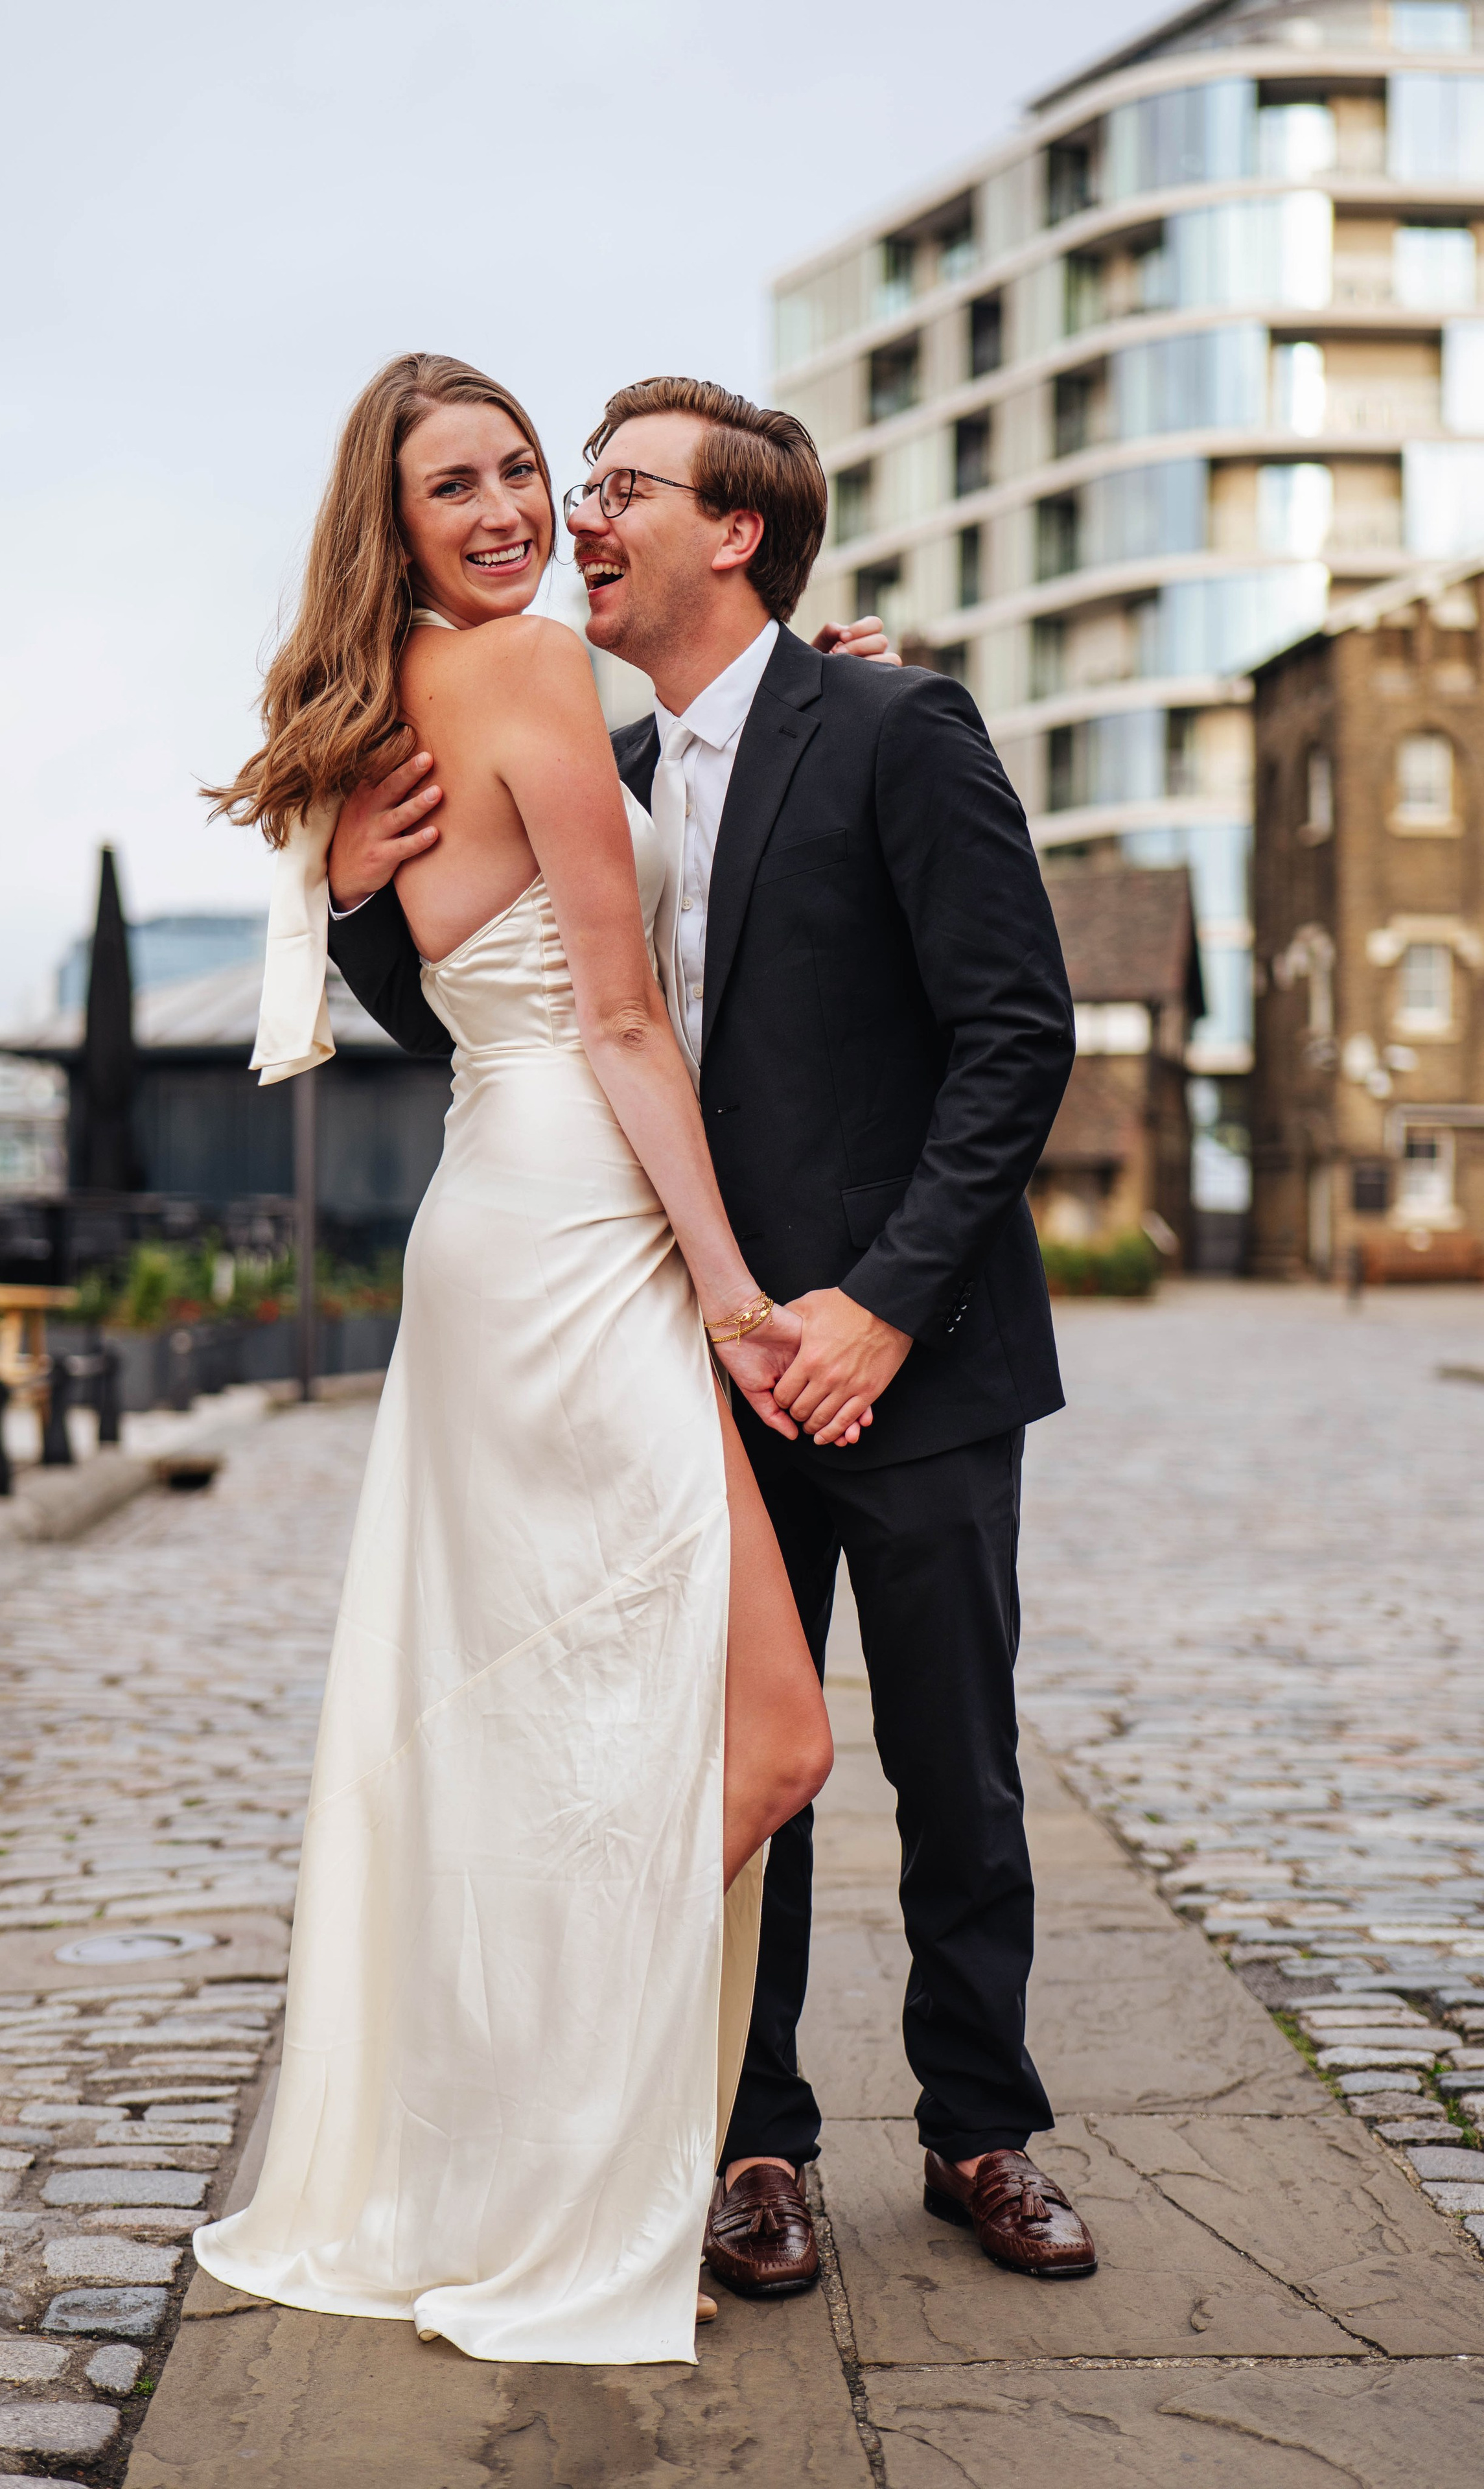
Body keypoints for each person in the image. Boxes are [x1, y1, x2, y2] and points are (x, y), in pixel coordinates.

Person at [330, 375, 1099, 2295]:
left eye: (619, 491)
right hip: (676, 1335)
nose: (577, 519)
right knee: (721, 1745)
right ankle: (755, 2142)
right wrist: (357, 905)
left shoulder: (897, 720)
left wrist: (881, 1310)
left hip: (897, 1356)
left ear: (734, 531)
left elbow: (1017, 1039)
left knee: (954, 1758)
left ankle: (983, 2130)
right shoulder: (586, 744)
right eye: (567, 487)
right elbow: (502, 1029)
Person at [191, 352, 896, 2367]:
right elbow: (616, 1023)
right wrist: (743, 1296)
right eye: (460, 488)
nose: (513, 513)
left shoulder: (388, 703)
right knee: (753, 1739)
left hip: (517, 1223)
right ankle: (551, 2159)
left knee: (639, 1728)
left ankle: (515, 2137)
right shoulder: (513, 679)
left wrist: (826, 679)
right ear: (390, 524)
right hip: (585, 1239)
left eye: (529, 473)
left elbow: (434, 958)